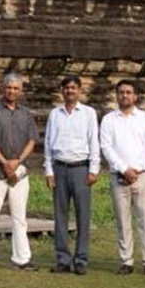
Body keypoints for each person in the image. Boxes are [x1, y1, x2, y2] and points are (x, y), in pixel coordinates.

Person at [0, 72, 39, 272]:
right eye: (8, 87)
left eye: (15, 88)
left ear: (21, 91)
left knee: (19, 216)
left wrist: (17, 162)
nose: (11, 91)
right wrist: (5, 163)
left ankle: (22, 258)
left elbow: (32, 140)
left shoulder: (26, 114)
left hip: (19, 170)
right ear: (3, 88)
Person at [100, 79, 145, 276]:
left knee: (144, 218)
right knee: (122, 220)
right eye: (121, 92)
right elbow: (106, 147)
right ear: (117, 95)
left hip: (142, 175)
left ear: (135, 96)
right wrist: (124, 169)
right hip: (118, 176)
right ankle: (127, 260)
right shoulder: (109, 120)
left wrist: (135, 170)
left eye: (128, 92)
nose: (125, 95)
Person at [44, 74, 98, 274]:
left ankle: (81, 259)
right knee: (60, 216)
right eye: (66, 88)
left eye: (74, 88)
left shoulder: (88, 113)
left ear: (79, 90)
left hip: (81, 168)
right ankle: (63, 259)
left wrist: (93, 169)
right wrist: (49, 171)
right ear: (62, 91)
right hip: (59, 168)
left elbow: (94, 142)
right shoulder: (54, 114)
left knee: (83, 215)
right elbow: (49, 144)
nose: (70, 91)